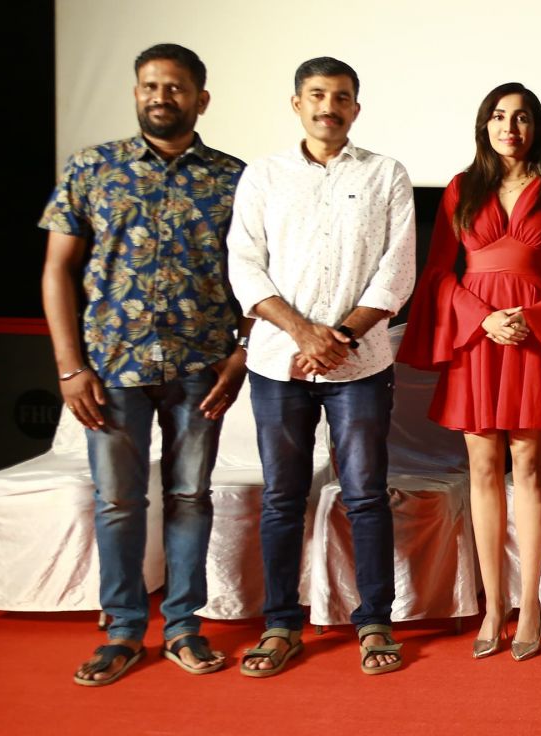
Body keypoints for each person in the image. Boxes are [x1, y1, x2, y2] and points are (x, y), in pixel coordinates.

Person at [40, 43, 246, 686]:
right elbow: (57, 270)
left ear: (200, 99)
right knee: (118, 502)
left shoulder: (234, 177)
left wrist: (241, 354)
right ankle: (123, 631)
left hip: (200, 367)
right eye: (150, 85)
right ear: (135, 93)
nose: (161, 96)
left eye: (176, 87)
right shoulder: (91, 168)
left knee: (189, 497)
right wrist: (69, 366)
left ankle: (183, 626)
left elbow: (257, 275)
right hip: (111, 368)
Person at [397, 82, 541, 660]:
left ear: (537, 126)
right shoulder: (460, 187)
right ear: (484, 125)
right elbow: (439, 272)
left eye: (521, 117)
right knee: (483, 469)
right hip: (477, 336)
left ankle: (531, 603)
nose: (510, 127)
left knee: (529, 468)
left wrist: (535, 316)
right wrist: (481, 318)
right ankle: (494, 605)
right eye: (499, 116)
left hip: (535, 333)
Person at [227, 56, 417, 677]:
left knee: (365, 496)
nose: (328, 107)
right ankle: (281, 624)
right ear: (297, 103)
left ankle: (375, 621)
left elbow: (397, 269)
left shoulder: (386, 173)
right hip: (278, 363)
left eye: (340, 98)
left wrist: (340, 337)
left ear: (355, 108)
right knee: (283, 498)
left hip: (360, 365)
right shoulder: (264, 175)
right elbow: (244, 265)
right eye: (316, 95)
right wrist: (303, 333)